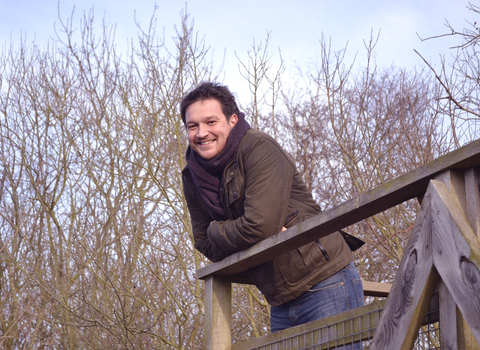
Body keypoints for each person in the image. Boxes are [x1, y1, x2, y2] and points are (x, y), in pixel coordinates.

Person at [181, 82, 364, 345]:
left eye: (211, 121)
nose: (202, 133)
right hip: (278, 298)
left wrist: (216, 229)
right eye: (192, 126)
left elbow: (258, 227)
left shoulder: (258, 147)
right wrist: (232, 233)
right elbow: (203, 242)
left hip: (326, 281)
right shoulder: (192, 176)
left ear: (232, 120)